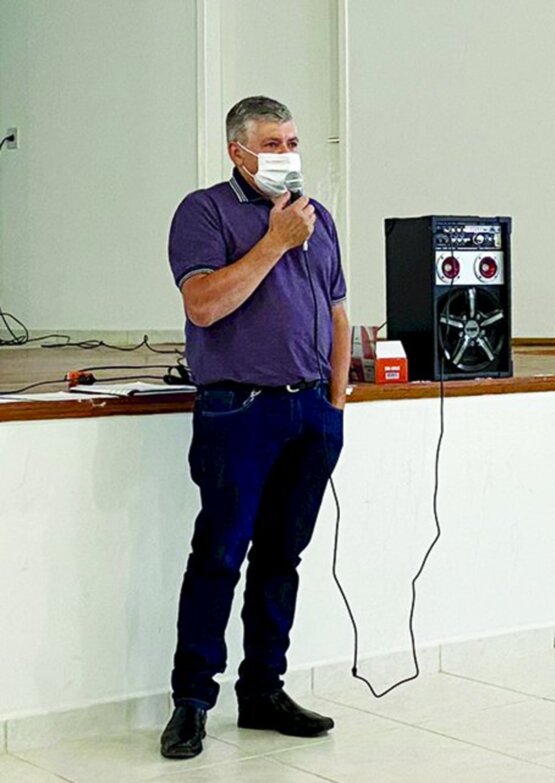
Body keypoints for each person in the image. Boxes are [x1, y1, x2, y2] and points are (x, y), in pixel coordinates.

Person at [160, 96, 350, 759]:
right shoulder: (205, 211)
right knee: (219, 554)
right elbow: (205, 305)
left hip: (310, 415)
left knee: (281, 559)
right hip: (238, 410)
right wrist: (273, 242)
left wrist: (335, 404)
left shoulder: (316, 220)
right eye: (272, 143)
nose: (287, 154)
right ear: (238, 152)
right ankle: (191, 702)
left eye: (293, 140)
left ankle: (263, 688)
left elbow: (338, 312)